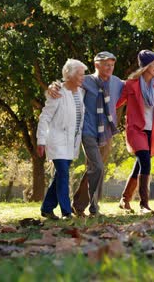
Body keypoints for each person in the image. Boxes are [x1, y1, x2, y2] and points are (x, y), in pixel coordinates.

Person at [48, 51, 124, 217]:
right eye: (106, 64)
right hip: (88, 131)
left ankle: (79, 204)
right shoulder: (86, 80)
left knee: (95, 169)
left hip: (106, 134)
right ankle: (93, 208)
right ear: (97, 65)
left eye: (112, 65)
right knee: (97, 166)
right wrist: (53, 86)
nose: (110, 67)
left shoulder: (117, 82)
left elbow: (133, 88)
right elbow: (67, 84)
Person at [116, 50, 154, 214]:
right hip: (136, 130)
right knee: (145, 163)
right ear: (146, 66)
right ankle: (144, 204)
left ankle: (125, 199)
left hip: (153, 131)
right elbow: (117, 102)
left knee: (139, 165)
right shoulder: (131, 84)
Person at [37, 59, 86, 220]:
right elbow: (45, 117)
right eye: (80, 74)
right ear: (69, 75)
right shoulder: (57, 93)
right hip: (57, 141)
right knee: (63, 174)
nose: (83, 77)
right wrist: (40, 140)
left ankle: (46, 208)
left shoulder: (80, 92)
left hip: (71, 143)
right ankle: (66, 212)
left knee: (59, 176)